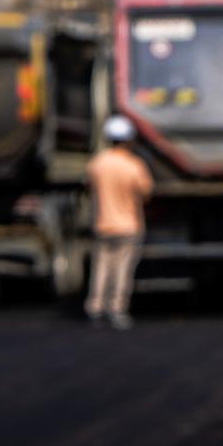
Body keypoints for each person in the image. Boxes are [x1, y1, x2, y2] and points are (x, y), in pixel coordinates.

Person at [85, 114, 154, 329]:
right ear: (128, 139)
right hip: (128, 225)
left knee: (102, 266)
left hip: (103, 224)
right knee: (122, 268)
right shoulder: (133, 165)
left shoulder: (97, 164)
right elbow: (146, 192)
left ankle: (96, 307)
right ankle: (117, 308)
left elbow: (89, 188)